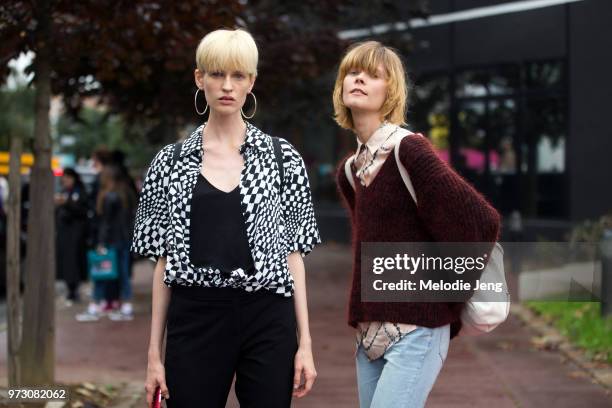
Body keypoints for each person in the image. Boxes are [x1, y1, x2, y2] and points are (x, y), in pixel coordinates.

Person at [131, 28, 321, 408]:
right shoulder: (169, 163)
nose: (227, 86)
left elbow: (293, 257)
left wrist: (306, 345)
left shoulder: (283, 159)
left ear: (251, 81)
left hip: (268, 315)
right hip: (195, 315)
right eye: (217, 74)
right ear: (199, 78)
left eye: (238, 75)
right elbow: (163, 263)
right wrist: (154, 354)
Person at [333, 41, 501, 408]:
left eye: (373, 74)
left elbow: (479, 220)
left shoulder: (409, 150)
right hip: (369, 334)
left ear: (390, 90)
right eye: (352, 72)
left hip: (418, 330)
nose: (358, 78)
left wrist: (443, 301)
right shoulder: (350, 171)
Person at [77, 164, 137, 321]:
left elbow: (106, 223)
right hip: (124, 239)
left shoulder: (108, 196)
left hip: (110, 240)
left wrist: (101, 243)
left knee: (100, 273)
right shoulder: (126, 194)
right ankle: (126, 306)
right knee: (123, 274)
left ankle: (95, 306)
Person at [55, 168, 89, 304]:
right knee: (66, 261)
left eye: (68, 178)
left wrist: (66, 203)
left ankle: (74, 290)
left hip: (75, 233)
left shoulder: (79, 192)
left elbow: (82, 210)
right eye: (64, 178)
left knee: (74, 261)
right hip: (64, 232)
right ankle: (70, 289)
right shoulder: (63, 191)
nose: (65, 180)